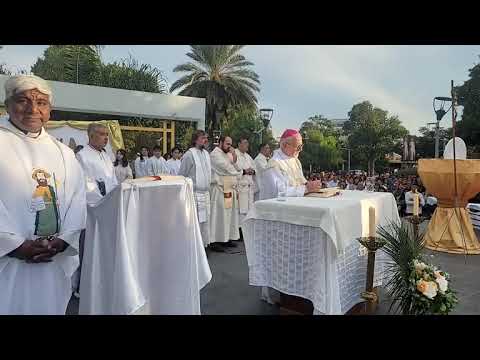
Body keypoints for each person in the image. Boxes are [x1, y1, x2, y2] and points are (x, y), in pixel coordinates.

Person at [0, 74, 86, 314]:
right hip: (7, 264)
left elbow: (78, 200)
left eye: (41, 102)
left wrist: (64, 240)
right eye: (23, 100)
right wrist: (13, 245)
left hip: (52, 261)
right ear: (7, 104)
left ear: (50, 109)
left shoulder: (64, 153)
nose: (32, 109)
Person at [261, 129, 322, 199]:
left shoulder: (296, 161)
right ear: (284, 145)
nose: (301, 149)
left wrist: (311, 185)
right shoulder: (274, 164)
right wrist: (306, 189)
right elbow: (278, 192)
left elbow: (302, 182)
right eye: (298, 147)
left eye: (301, 146)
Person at [178, 130, 212, 250]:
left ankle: (204, 246)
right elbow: (182, 175)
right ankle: (194, 248)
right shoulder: (189, 155)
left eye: (206, 138)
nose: (205, 140)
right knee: (196, 222)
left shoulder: (206, 154)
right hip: (195, 195)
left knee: (206, 222)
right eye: (203, 138)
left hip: (206, 194)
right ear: (195, 140)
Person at [209, 135, 242, 252]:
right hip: (219, 189)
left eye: (230, 144)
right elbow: (227, 168)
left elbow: (238, 167)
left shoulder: (228, 154)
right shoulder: (215, 154)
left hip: (228, 188)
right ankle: (214, 241)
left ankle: (226, 238)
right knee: (218, 215)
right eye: (227, 144)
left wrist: (234, 155)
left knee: (228, 215)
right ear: (220, 142)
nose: (230, 147)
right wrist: (238, 173)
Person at [76, 123, 119, 205]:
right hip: (96, 205)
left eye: (107, 135)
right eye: (102, 134)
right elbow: (87, 185)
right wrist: (102, 202)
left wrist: (115, 197)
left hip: (111, 202)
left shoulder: (106, 156)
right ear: (91, 136)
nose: (106, 138)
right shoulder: (82, 156)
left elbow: (113, 180)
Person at [234, 138, 257, 228]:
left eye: (247, 143)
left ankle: (246, 229)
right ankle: (239, 230)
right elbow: (234, 169)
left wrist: (253, 171)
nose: (247, 145)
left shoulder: (248, 156)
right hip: (240, 187)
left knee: (248, 209)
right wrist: (244, 171)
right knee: (240, 210)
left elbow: (255, 168)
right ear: (239, 144)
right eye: (245, 143)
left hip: (249, 188)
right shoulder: (234, 154)